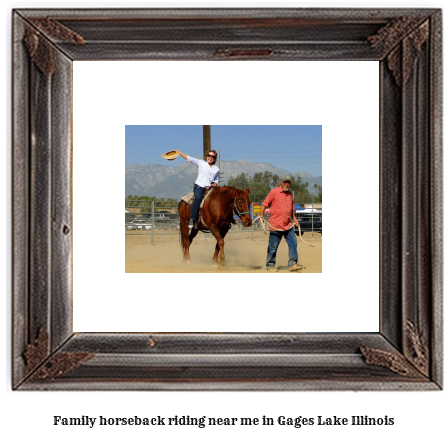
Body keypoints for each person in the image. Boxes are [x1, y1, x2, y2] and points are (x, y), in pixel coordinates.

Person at [259, 175, 302, 272]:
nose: (287, 184)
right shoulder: (274, 192)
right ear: (281, 182)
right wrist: (261, 215)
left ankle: (293, 264)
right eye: (285, 182)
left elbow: (292, 209)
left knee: (293, 243)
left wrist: (294, 220)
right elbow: (264, 204)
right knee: (273, 247)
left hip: (288, 225)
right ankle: (270, 265)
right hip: (276, 225)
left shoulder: (290, 194)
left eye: (289, 182)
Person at [178, 150, 220, 229]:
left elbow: (216, 179)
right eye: (209, 155)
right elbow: (189, 158)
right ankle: (193, 218)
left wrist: (215, 183)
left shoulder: (216, 169)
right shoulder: (201, 163)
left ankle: (227, 218)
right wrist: (180, 153)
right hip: (199, 186)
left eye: (212, 156)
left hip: (210, 188)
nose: (210, 157)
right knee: (198, 198)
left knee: (221, 197)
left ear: (214, 158)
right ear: (206, 156)